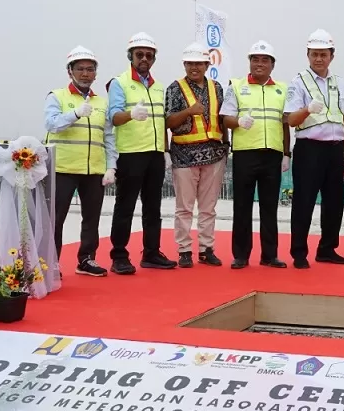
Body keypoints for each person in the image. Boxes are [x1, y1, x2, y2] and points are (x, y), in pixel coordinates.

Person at [43, 45, 116, 277]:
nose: (86, 73)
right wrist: (74, 114)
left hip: (93, 170)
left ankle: (86, 259)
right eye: (80, 69)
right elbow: (51, 124)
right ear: (70, 71)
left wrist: (111, 166)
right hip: (62, 168)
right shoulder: (57, 96)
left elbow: (109, 137)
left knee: (91, 218)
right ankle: (50, 263)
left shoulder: (102, 103)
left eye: (90, 69)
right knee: (55, 219)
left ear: (96, 74)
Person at [285, 29, 344, 269]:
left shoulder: (340, 83)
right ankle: (299, 253)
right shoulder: (299, 82)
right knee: (304, 201)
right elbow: (290, 120)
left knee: (335, 202)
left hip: (334, 150)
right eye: (314, 54)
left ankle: (327, 249)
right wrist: (307, 109)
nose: (318, 59)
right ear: (307, 55)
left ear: (331, 56)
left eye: (323, 54)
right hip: (309, 149)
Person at [107, 32, 175, 274]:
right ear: (131, 56)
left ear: (154, 59)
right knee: (125, 206)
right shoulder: (120, 83)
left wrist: (165, 151)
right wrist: (130, 115)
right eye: (140, 54)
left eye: (149, 55)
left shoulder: (159, 87)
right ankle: (119, 255)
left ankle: (151, 252)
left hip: (155, 155)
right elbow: (114, 117)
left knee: (153, 207)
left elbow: (163, 121)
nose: (144, 58)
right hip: (131, 154)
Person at [220, 40, 291, 269]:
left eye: (265, 60)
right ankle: (241, 254)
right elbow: (226, 118)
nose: (259, 64)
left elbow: (285, 123)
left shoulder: (282, 89)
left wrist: (287, 153)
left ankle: (269, 255)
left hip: (272, 154)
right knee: (242, 206)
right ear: (249, 62)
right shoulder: (236, 86)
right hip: (245, 154)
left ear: (272, 64)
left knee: (270, 207)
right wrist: (239, 121)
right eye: (255, 59)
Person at [165, 43, 228, 268]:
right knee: (184, 207)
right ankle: (184, 250)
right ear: (184, 64)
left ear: (206, 64)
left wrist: (226, 145)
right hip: (184, 156)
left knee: (208, 207)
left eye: (199, 63)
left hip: (214, 154)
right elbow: (169, 122)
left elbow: (222, 119)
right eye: (190, 63)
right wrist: (188, 112)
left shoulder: (217, 88)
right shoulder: (175, 88)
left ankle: (206, 249)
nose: (194, 67)